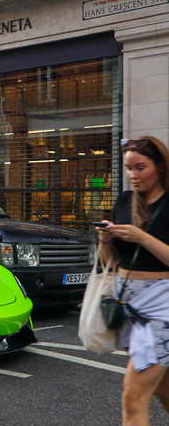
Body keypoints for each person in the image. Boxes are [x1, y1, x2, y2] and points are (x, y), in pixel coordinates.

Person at [97, 136, 169, 426]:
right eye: (128, 168)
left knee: (133, 396)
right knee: (164, 390)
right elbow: (108, 261)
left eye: (140, 167)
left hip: (161, 307)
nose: (133, 175)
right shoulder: (125, 201)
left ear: (161, 167)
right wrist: (104, 239)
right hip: (128, 302)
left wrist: (142, 237)